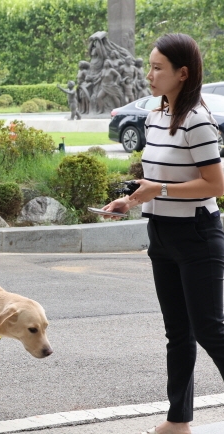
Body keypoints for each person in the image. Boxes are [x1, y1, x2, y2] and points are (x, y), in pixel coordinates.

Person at [103, 33, 224, 434]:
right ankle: (178, 422)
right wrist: (129, 201)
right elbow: (155, 180)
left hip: (197, 235)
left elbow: (216, 184)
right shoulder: (155, 116)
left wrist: (161, 191)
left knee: (210, 330)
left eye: (157, 68)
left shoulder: (198, 120)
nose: (149, 75)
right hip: (162, 234)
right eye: (149, 67)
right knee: (178, 334)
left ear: (182, 73)